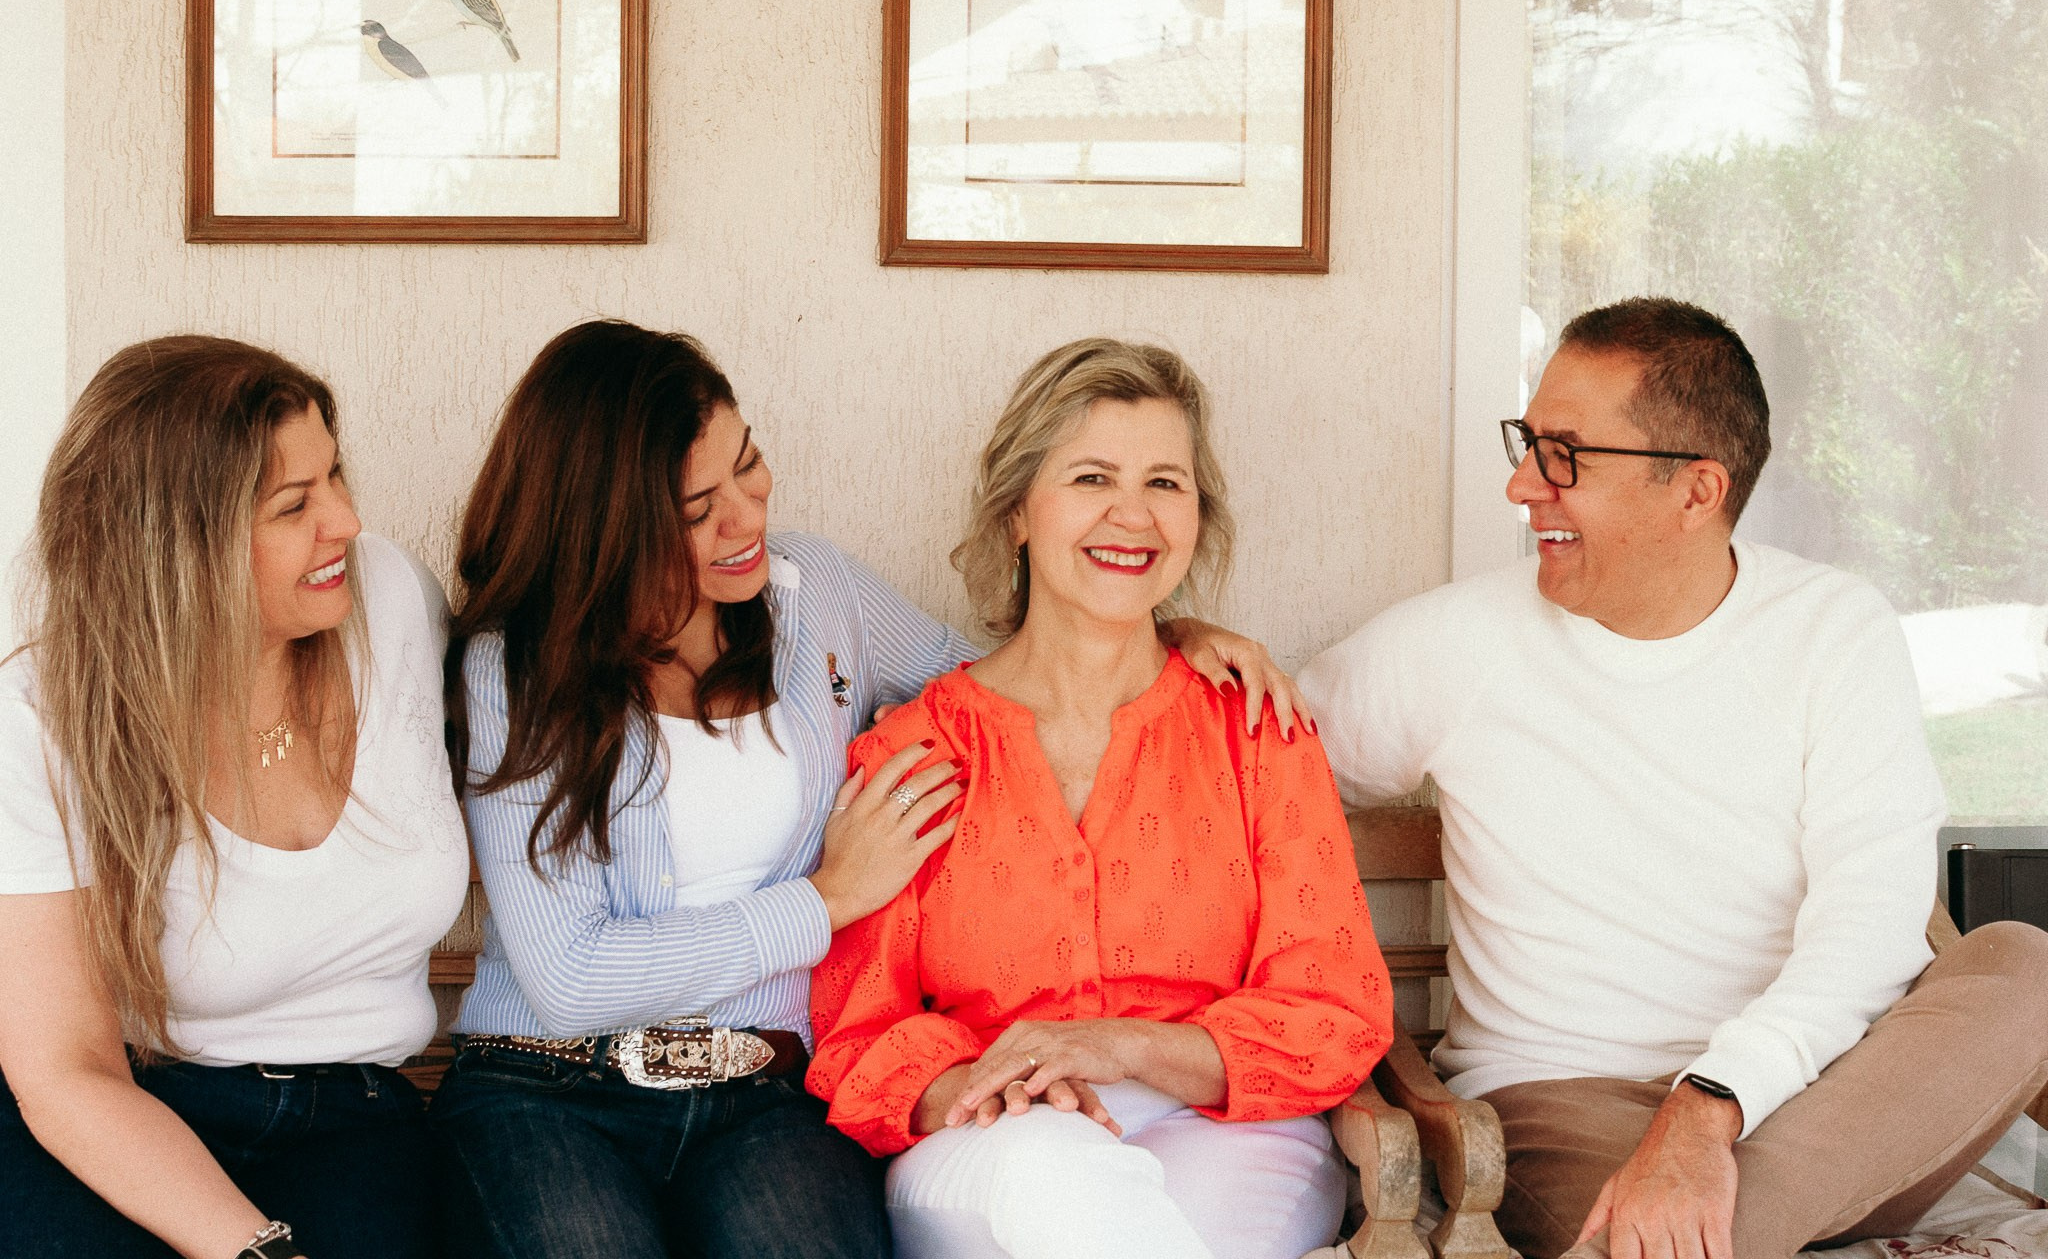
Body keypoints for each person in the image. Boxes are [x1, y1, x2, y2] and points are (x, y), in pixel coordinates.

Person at [429, 320, 1302, 1259]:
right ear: (606, 526)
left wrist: (1169, 635)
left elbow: (1008, 683)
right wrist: (826, 900)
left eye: (749, 464)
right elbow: (568, 979)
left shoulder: (818, 597)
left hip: (761, 1095)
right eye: (695, 508)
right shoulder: (517, 672)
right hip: (547, 1091)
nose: (746, 515)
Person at [1300, 297, 2048, 1259]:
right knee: (1655, 1221)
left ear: (1697, 491)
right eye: (1527, 443)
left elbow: (1873, 920)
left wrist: (1710, 1109)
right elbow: (1227, 767)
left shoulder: (1833, 630)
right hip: (1563, 1112)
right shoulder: (1452, 645)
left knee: (2023, 965)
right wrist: (1190, 639)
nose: (1523, 486)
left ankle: (1703, 1231)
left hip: (1825, 1107)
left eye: (1564, 453)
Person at [807, 336, 1394, 1259]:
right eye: (1091, 478)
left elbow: (1332, 1007)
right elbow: (857, 1034)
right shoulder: (918, 749)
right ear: (1016, 517)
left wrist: (1115, 1047)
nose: (1134, 516)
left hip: (1232, 1130)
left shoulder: (1256, 731)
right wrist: (984, 1085)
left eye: (1167, 484)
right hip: (992, 1135)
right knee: (1055, 1174)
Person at [0, 338, 471, 1259]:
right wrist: (258, 1252)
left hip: (359, 1115)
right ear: (174, 550)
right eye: (293, 506)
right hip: (126, 1117)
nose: (345, 520)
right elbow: (64, 1070)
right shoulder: (44, 719)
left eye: (334, 475)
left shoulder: (395, 604)